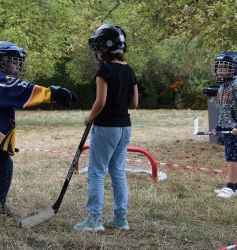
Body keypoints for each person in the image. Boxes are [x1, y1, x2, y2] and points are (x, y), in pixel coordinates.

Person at [0, 41, 77, 218]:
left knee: (5, 165)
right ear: (1, 62)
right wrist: (53, 94)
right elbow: (23, 90)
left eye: (19, 63)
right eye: (14, 62)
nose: (18, 66)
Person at [74, 24, 138, 232]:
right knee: (118, 172)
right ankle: (121, 218)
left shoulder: (104, 70)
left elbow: (100, 102)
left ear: (105, 48)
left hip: (106, 127)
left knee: (96, 172)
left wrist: (89, 117)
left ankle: (94, 219)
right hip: (124, 127)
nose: (96, 52)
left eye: (98, 48)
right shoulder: (129, 70)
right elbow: (134, 103)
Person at [211, 51, 237, 199]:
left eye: (225, 67)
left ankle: (231, 187)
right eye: (219, 67)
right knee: (230, 157)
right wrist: (219, 127)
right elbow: (224, 111)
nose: (220, 70)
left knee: (234, 158)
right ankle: (234, 186)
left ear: (235, 69)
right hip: (229, 128)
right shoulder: (223, 87)